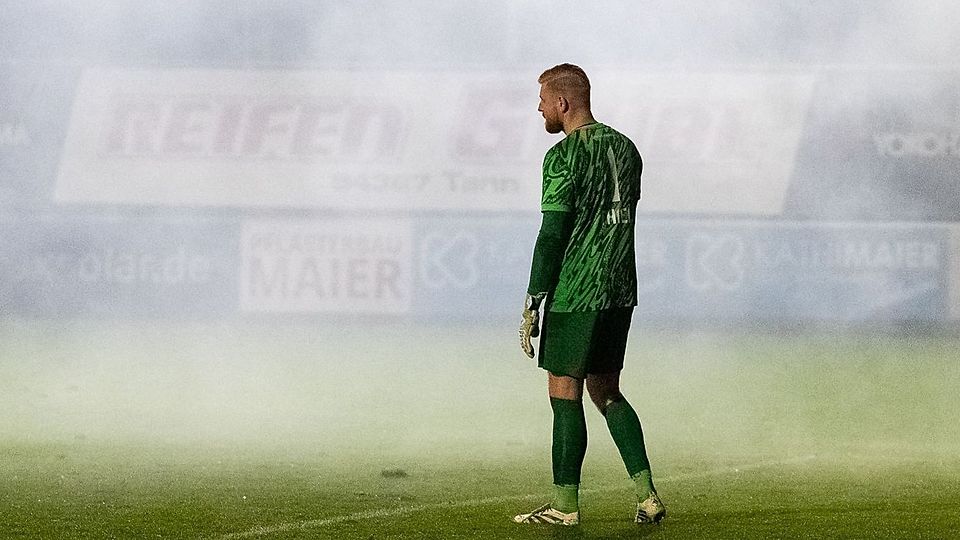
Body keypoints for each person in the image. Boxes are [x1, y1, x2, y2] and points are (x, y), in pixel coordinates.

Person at [514, 63, 665, 526]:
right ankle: (647, 496)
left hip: (577, 291)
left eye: (542, 99)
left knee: (564, 392)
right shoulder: (627, 149)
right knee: (608, 392)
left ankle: (564, 506)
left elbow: (553, 232)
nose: (538, 107)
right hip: (619, 290)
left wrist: (535, 296)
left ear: (562, 102)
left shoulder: (562, 157)